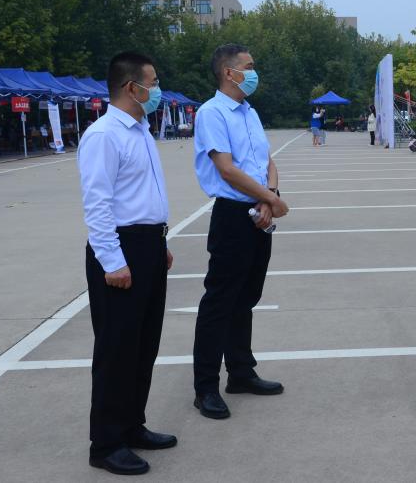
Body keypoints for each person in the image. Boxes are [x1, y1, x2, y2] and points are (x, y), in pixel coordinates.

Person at [77, 52, 176, 476]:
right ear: (132, 88)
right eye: (152, 83)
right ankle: (106, 443)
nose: (157, 90)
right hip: (120, 249)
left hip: (148, 244)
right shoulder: (104, 135)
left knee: (143, 344)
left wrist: (159, 243)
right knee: (117, 349)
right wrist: (113, 261)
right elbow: (98, 204)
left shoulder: (141, 131)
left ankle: (132, 425)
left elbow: (142, 195)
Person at [192, 43, 290, 420]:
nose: (253, 72)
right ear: (228, 73)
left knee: (246, 297)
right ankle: (205, 387)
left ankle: (241, 372)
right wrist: (270, 200)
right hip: (233, 216)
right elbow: (227, 170)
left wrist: (270, 196)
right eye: (248, 66)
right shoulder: (212, 113)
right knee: (219, 302)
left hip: (258, 212)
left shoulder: (250, 112)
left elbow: (267, 161)